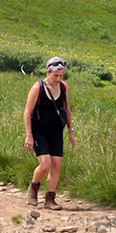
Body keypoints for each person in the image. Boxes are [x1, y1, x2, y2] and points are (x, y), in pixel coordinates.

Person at [24, 57, 75, 209]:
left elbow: (66, 110)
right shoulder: (37, 88)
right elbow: (27, 112)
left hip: (56, 131)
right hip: (38, 130)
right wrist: (29, 135)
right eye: (55, 76)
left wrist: (70, 131)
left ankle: (50, 198)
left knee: (56, 164)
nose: (58, 79)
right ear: (48, 72)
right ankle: (34, 187)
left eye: (61, 76)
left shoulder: (64, 87)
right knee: (45, 164)